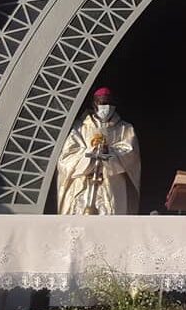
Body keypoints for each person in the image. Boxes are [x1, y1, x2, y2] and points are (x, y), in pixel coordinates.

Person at [57, 87, 140, 215]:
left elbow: (131, 155)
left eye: (109, 103)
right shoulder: (79, 127)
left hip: (112, 185)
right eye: (102, 103)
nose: (106, 107)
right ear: (94, 104)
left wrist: (110, 152)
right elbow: (67, 158)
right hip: (83, 184)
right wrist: (90, 154)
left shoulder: (125, 128)